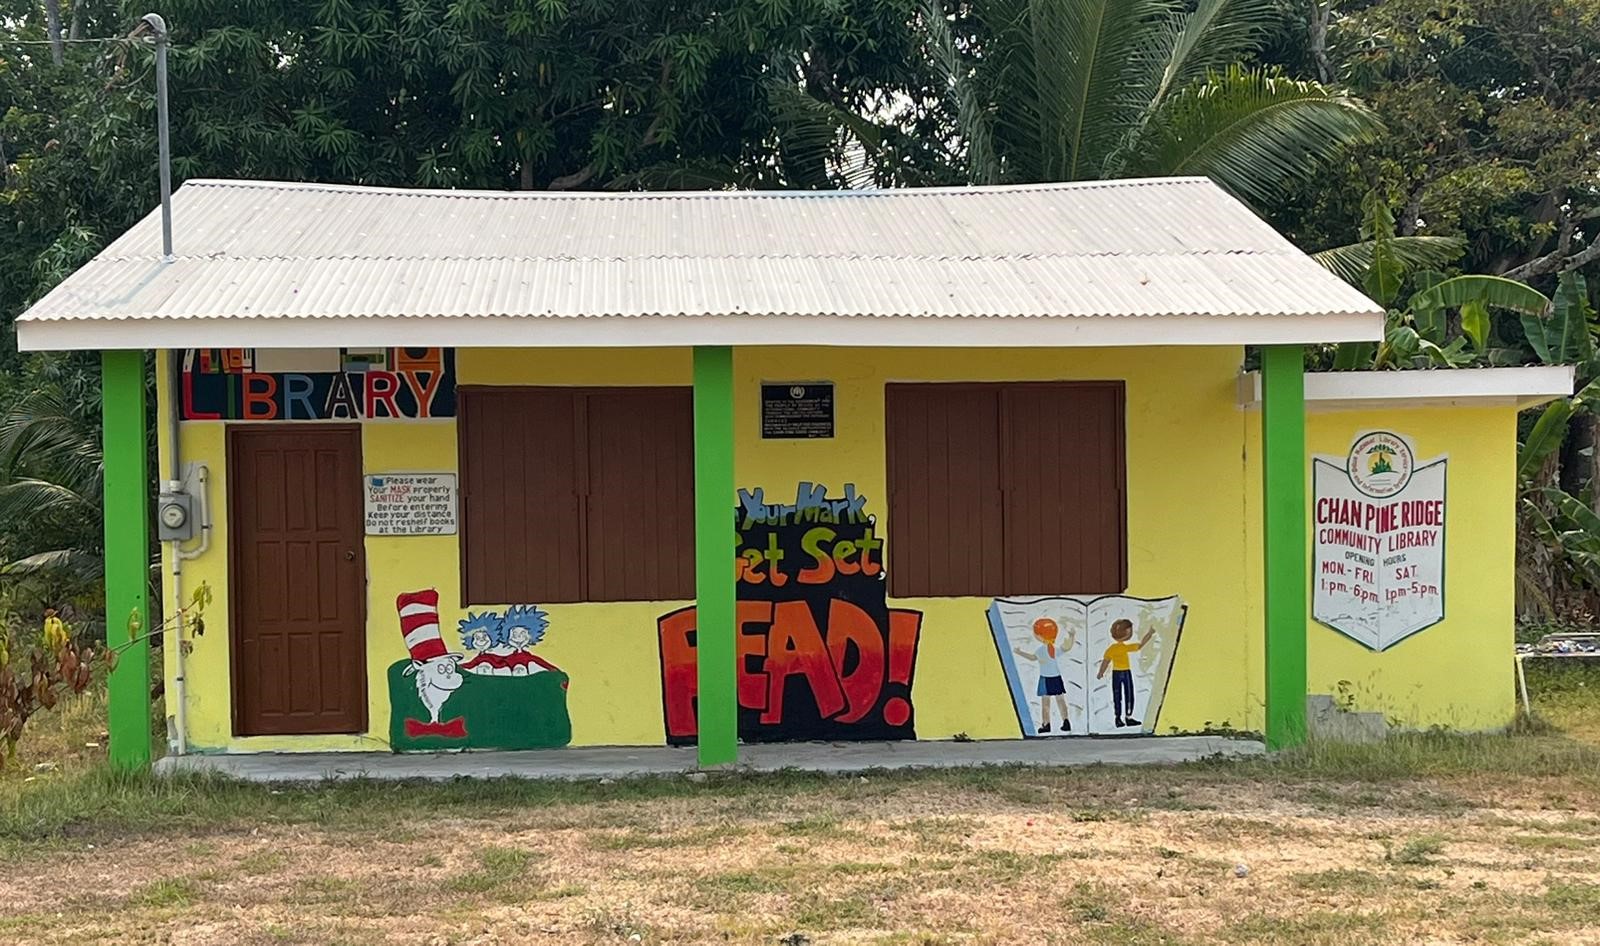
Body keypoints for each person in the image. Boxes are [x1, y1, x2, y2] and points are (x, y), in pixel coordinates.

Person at [1013, 618, 1074, 733]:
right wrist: (1072, 636)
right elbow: (1066, 647)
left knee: (1046, 703)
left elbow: (1032, 658)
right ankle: (1066, 721)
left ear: (1040, 636)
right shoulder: (1054, 649)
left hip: (1045, 678)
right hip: (1056, 677)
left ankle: (1046, 724)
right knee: (1060, 700)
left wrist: (1019, 652)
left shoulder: (1041, 650)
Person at [1096, 619, 1156, 727]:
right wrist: (1150, 633)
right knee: (1128, 694)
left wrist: (1101, 672)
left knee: (1117, 696)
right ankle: (1127, 717)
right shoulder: (1123, 647)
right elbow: (1141, 645)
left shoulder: (1112, 648)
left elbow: (1106, 661)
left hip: (1117, 674)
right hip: (1124, 672)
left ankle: (1118, 718)